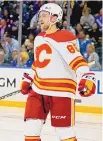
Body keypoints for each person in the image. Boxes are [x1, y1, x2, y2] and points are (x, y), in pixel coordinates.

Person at [20, 3, 96, 141]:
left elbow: (77, 60)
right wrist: (29, 78)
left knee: (65, 134)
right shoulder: (39, 38)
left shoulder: (64, 37)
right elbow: (38, 63)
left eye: (44, 16)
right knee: (30, 128)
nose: (40, 19)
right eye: (40, 16)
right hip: (38, 89)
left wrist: (86, 76)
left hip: (61, 91)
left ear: (54, 18)